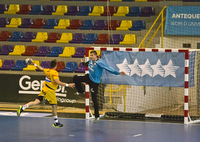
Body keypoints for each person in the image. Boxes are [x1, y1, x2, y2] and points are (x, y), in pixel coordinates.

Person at [17, 59, 75, 128]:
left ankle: (23, 107)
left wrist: (34, 64)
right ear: (56, 66)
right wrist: (69, 85)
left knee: (36, 102)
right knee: (54, 106)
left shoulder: (47, 70)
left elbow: (41, 68)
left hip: (44, 88)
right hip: (50, 91)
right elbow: (58, 82)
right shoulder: (54, 72)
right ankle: (56, 122)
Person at [73, 51, 125, 123]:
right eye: (90, 55)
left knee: (94, 100)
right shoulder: (90, 61)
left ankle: (96, 116)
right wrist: (82, 63)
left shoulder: (100, 62)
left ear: (96, 56)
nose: (90, 56)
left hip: (95, 83)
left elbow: (109, 68)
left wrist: (118, 73)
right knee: (75, 78)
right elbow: (86, 64)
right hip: (88, 77)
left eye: (92, 55)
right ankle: (81, 91)